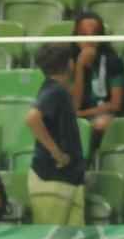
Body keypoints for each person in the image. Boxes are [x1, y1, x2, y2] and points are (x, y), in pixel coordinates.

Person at [26, 43, 87, 226]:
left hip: (68, 178)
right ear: (70, 63)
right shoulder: (55, 91)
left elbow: (75, 106)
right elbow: (32, 118)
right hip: (52, 178)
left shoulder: (57, 90)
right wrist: (56, 153)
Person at [72, 11, 124, 141]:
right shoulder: (69, 61)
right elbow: (74, 105)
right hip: (76, 115)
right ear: (75, 36)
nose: (89, 40)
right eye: (83, 34)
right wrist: (80, 66)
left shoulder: (113, 61)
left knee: (101, 123)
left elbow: (115, 104)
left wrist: (82, 114)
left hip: (102, 115)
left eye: (94, 34)